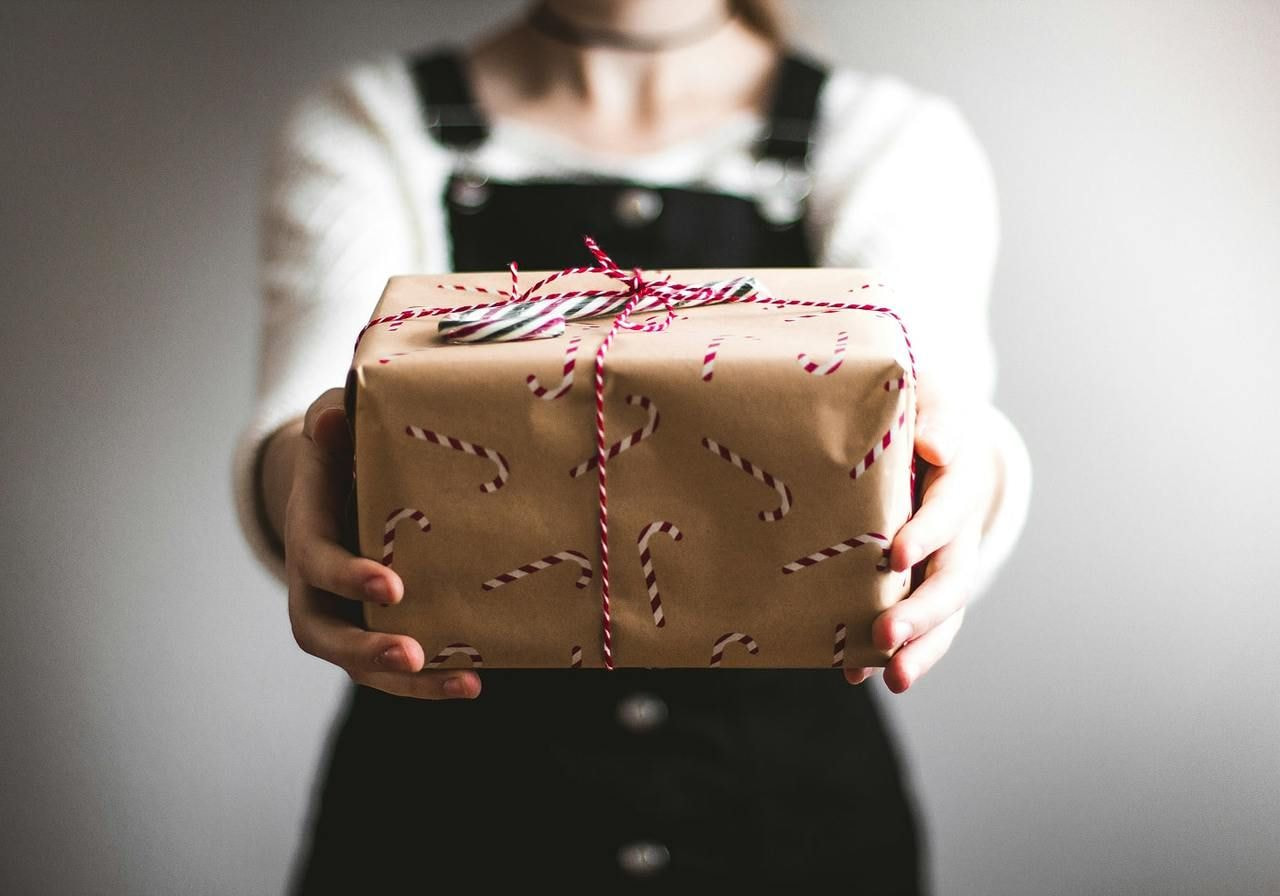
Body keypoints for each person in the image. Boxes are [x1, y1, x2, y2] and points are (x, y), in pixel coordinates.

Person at [233, 0, 1031, 890]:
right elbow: (313, 407)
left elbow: (941, 403)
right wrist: (302, 485)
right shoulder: (372, 125)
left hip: (791, 835)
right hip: (442, 835)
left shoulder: (887, 137)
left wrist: (974, 476)